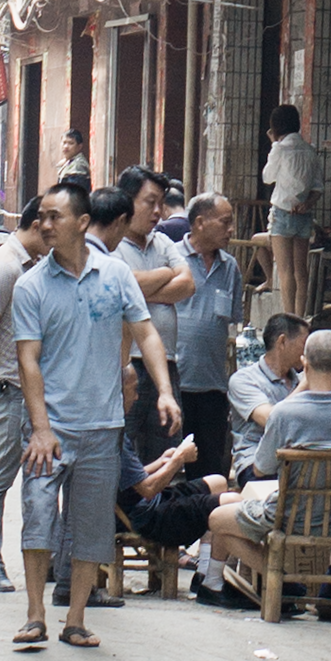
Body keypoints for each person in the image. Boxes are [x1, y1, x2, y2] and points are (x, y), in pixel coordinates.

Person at [9, 181, 182, 649]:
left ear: (83, 223)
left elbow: (146, 335)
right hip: (51, 429)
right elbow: (28, 360)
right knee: (39, 514)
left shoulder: (117, 275)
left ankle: (77, 619)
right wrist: (40, 428)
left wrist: (164, 391)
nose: (44, 225)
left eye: (54, 217)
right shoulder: (31, 285)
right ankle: (34, 614)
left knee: (91, 527)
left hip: (103, 427)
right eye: (41, 216)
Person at [208, 330, 331, 578]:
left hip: (288, 516)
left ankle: (279, 578)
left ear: (304, 364)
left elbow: (261, 469)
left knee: (216, 518)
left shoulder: (284, 413)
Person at [0, 196, 48, 594]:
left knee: (38, 478)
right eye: (49, 225)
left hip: (30, 389)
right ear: (35, 225)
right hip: (9, 387)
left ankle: (38, 560)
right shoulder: (5, 266)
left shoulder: (33, 266)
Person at [115, 166, 195, 465]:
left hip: (165, 365)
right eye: (150, 202)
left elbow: (187, 284)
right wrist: (164, 274)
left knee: (166, 451)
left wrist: (132, 290)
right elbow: (117, 285)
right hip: (129, 365)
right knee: (123, 453)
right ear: (127, 200)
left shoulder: (161, 241)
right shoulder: (110, 244)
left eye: (162, 203)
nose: (158, 212)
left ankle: (158, 511)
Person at [115, 364, 230, 550]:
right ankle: (213, 577)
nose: (136, 397)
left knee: (217, 482)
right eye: (133, 390)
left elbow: (130, 479)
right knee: (230, 504)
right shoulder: (115, 437)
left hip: (147, 504)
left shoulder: (119, 430)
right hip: (145, 517)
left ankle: (205, 570)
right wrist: (178, 460)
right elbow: (148, 489)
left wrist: (161, 462)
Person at [175, 192, 241, 480]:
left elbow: (232, 323)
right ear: (199, 223)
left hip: (213, 385)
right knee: (172, 467)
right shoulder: (172, 259)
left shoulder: (231, 268)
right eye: (225, 222)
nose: (231, 230)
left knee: (211, 471)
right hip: (177, 384)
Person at [227, 313, 309, 488]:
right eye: (303, 344)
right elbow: (271, 419)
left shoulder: (300, 379)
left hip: (297, 461)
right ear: (282, 342)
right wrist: (306, 385)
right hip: (256, 463)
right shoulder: (244, 380)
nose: (306, 352)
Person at [262, 105, 322, 317]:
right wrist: (307, 204)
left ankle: (288, 317)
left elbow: (267, 177)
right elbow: (318, 188)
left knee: (285, 271)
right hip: (304, 214)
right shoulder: (309, 150)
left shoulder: (280, 149)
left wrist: (273, 145)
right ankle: (301, 317)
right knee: (301, 270)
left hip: (282, 212)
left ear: (276, 127)